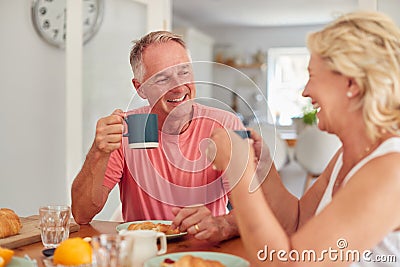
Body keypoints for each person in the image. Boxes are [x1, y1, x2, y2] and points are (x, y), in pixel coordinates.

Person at [209, 11, 400, 266]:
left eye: (312, 75)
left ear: (352, 84)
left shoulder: (390, 170)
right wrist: (262, 166)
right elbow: (297, 221)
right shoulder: (347, 156)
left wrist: (237, 171)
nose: (306, 91)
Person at [71, 31, 243, 242]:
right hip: (143, 251)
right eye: (162, 78)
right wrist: (98, 152)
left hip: (204, 250)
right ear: (140, 88)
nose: (178, 87)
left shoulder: (226, 125)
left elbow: (252, 211)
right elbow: (81, 214)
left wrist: (221, 224)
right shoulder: (126, 128)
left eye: (184, 72)